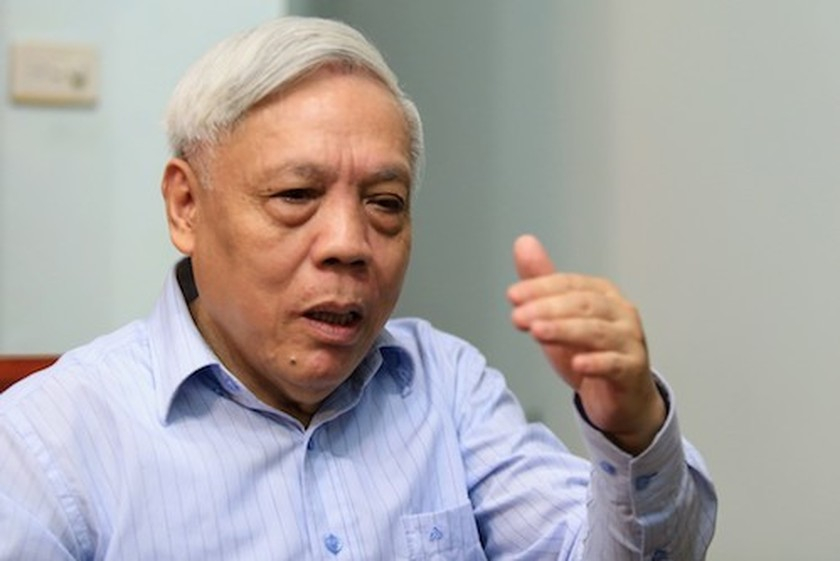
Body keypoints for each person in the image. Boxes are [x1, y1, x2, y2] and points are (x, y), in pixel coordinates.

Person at [0, 16, 716, 560]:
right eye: (296, 195)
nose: (348, 243)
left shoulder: (446, 389)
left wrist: (632, 427)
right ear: (186, 207)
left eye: (385, 203)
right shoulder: (49, 442)